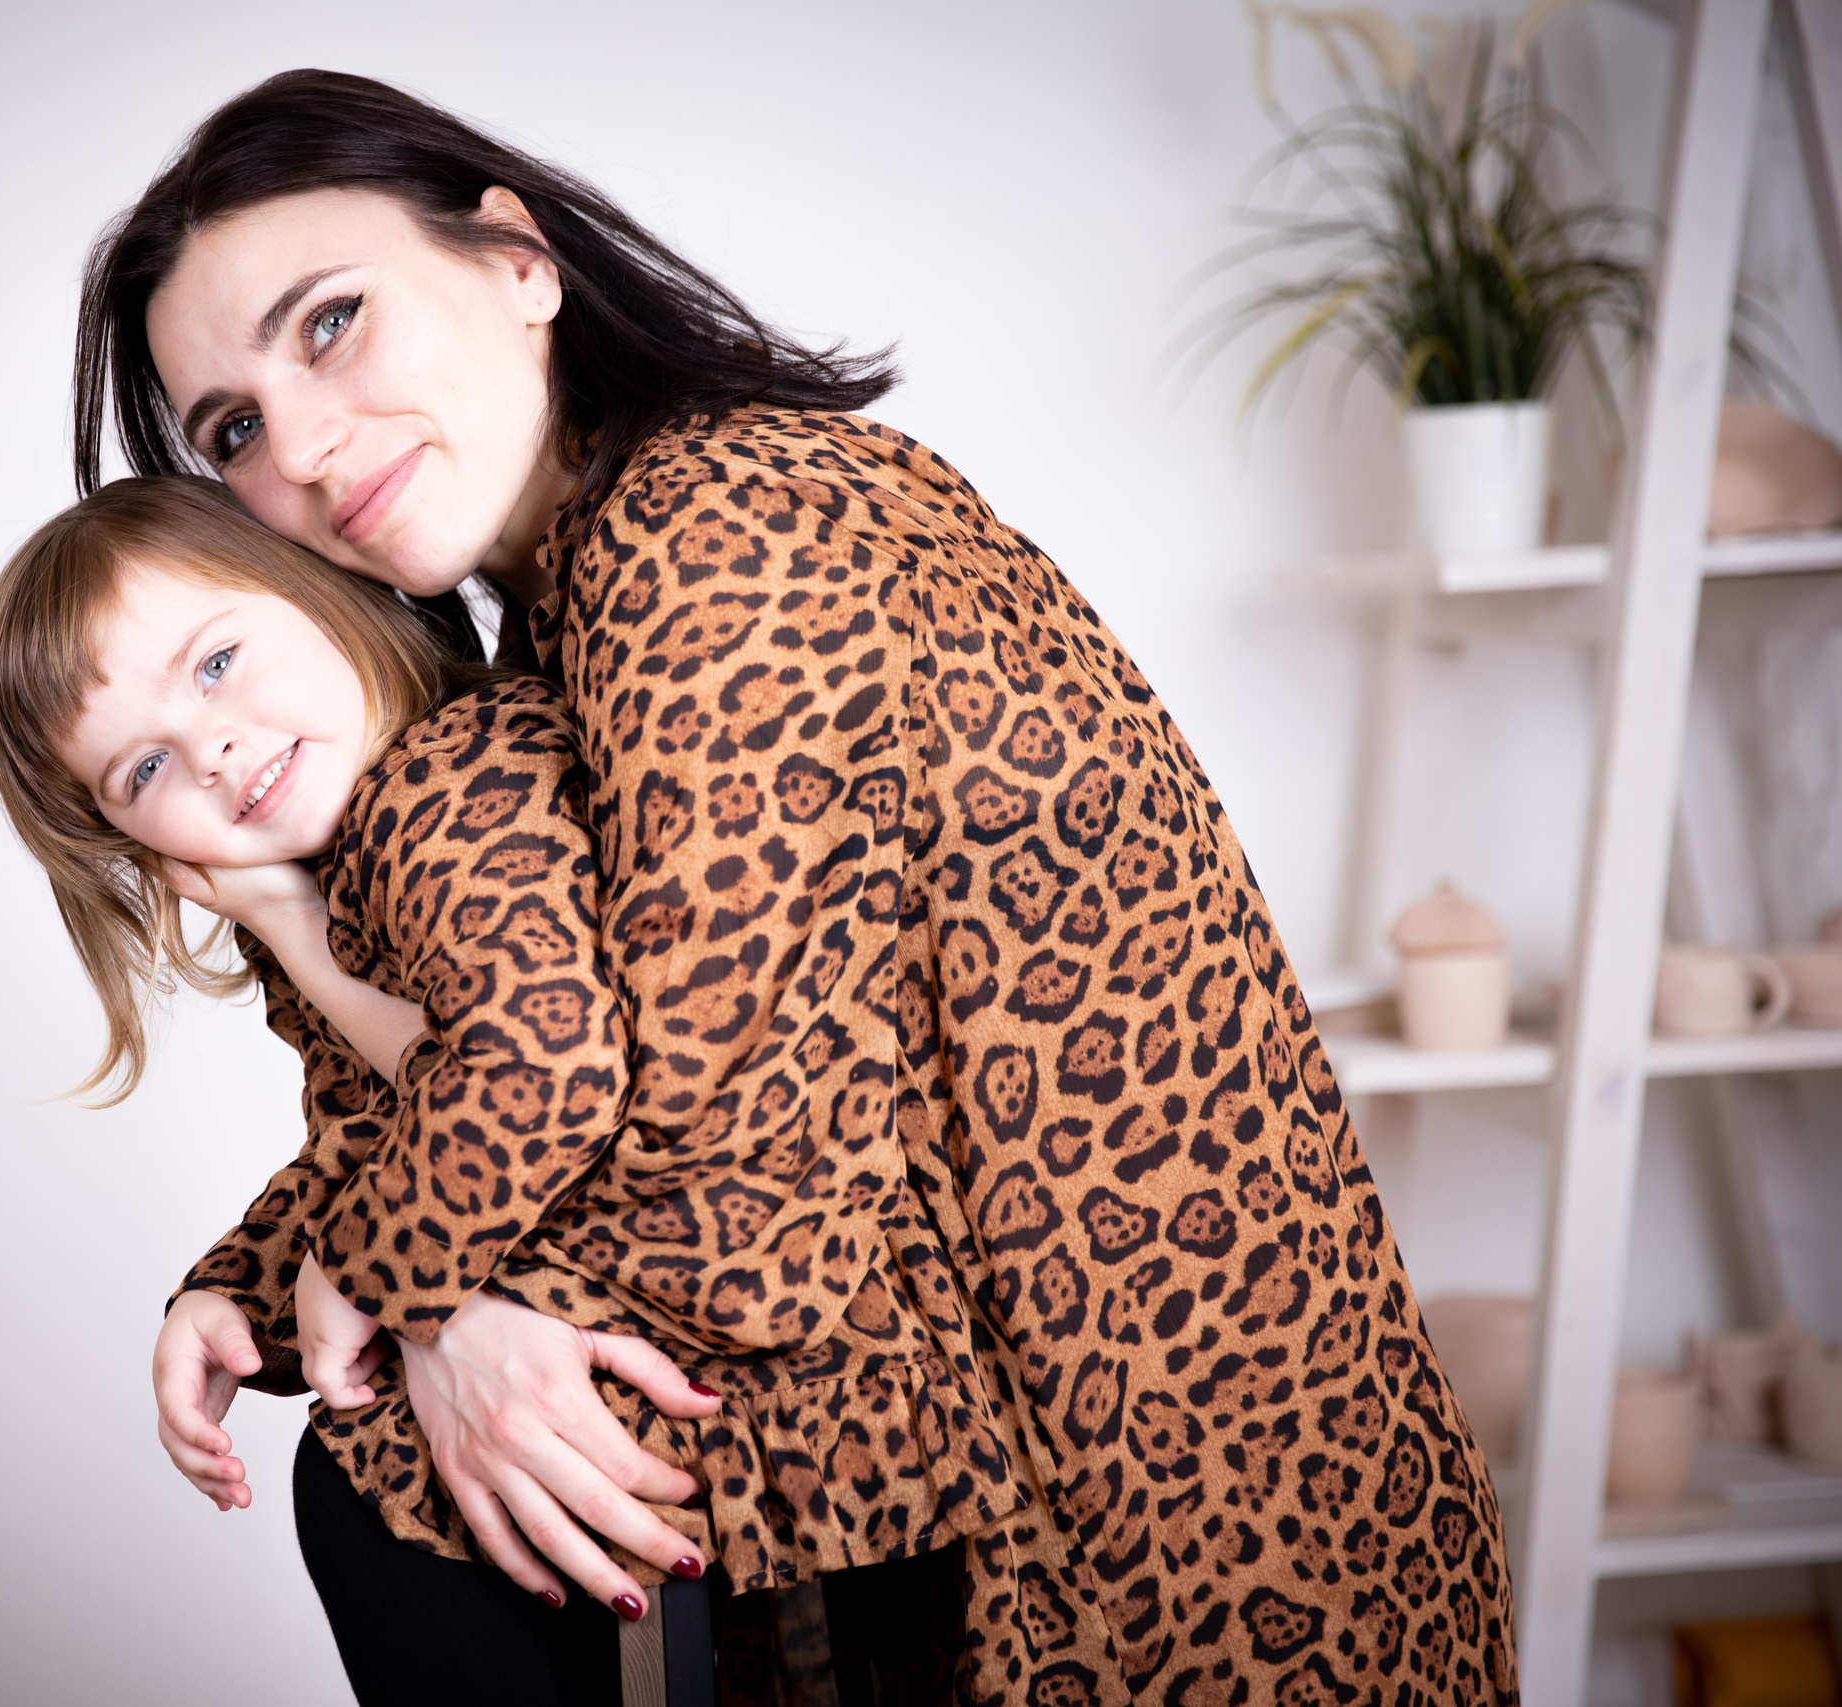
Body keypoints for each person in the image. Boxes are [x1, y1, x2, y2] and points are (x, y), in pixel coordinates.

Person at [74, 69, 1519, 1705]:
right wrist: (289, 1272)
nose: (309, 446)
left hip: (1182, 1565)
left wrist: (398, 1292)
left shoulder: (708, 531)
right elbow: (566, 1065)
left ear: (516, 259)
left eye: (330, 323)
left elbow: (741, 1206)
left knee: (379, 1490)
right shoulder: (580, 604)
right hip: (1006, 1517)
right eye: (238, 429)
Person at [0, 475, 972, 1704]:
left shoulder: (451, 793)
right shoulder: (357, 859)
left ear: (320, 592)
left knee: (368, 1490)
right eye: (142, 770)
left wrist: (356, 1276)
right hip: (703, 1387)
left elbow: (540, 1071)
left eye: (218, 663)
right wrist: (238, 1287)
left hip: (766, 1353)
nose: (213, 748)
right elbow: (391, 1133)